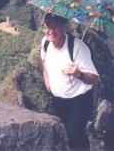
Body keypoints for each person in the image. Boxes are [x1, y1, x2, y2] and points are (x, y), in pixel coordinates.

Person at [40, 13, 99, 150]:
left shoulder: (78, 47)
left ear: (63, 28)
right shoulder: (46, 42)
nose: (51, 31)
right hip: (58, 99)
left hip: (79, 99)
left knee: (75, 134)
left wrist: (78, 74)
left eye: (55, 27)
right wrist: (46, 77)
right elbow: (43, 59)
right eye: (48, 27)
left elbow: (93, 78)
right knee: (64, 133)